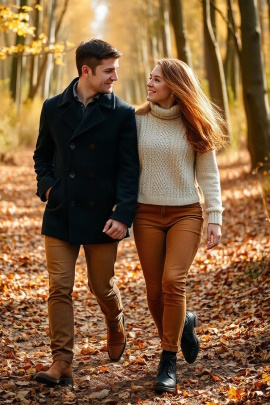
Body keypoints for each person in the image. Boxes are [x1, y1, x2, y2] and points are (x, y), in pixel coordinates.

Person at [33, 39, 139, 386]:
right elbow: (42, 156)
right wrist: (49, 187)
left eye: (115, 69)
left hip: (102, 217)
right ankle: (61, 362)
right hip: (62, 211)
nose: (115, 77)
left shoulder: (122, 113)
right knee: (59, 287)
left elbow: (128, 169)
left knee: (100, 286)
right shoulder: (53, 107)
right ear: (86, 71)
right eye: (109, 70)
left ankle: (115, 320)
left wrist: (123, 215)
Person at [133, 58, 225, 393]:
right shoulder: (136, 120)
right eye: (150, 78)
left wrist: (214, 216)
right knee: (155, 292)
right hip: (145, 214)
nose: (149, 83)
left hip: (185, 212)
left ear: (174, 85)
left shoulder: (194, 123)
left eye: (156, 79)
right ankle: (183, 323)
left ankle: (167, 359)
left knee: (174, 281)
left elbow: (209, 175)